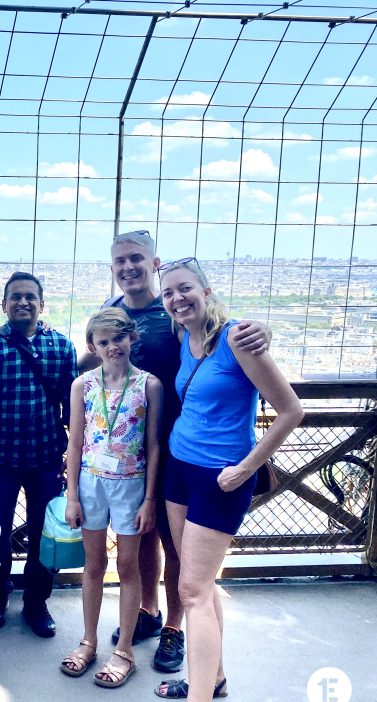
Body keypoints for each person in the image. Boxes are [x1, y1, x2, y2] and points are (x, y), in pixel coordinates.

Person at [81, 230, 272, 673]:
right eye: (120, 262)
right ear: (112, 269)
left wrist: (261, 329)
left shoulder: (171, 311)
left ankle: (174, 626)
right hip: (130, 445)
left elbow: (218, 330)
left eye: (136, 259)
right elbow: (93, 360)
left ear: (153, 262)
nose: (128, 268)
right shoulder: (110, 314)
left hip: (178, 444)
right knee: (144, 533)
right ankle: (148, 610)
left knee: (178, 543)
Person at [136, 258, 302, 702]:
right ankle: (215, 679)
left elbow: (292, 410)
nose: (176, 299)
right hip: (181, 468)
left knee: (192, 589)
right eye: (169, 293)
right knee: (198, 583)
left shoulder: (237, 339)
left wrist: (247, 467)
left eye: (185, 289)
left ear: (207, 291)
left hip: (220, 478)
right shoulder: (187, 339)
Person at [0, 271, 77, 637]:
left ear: (42, 304)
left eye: (30, 296)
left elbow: (70, 406)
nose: (23, 302)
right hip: (0, 460)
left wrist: (69, 456)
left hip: (46, 456)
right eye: (15, 297)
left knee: (45, 534)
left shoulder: (61, 346)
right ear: (4, 305)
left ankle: (36, 602)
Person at [61, 309, 162, 688]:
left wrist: (150, 499)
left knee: (128, 566)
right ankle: (88, 640)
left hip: (131, 483)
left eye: (117, 338)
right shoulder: (83, 385)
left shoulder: (149, 385)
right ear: (92, 346)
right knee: (92, 564)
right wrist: (72, 495)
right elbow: (74, 441)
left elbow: (153, 446)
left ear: (131, 339)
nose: (111, 347)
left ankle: (124, 650)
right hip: (91, 482)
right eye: (102, 341)